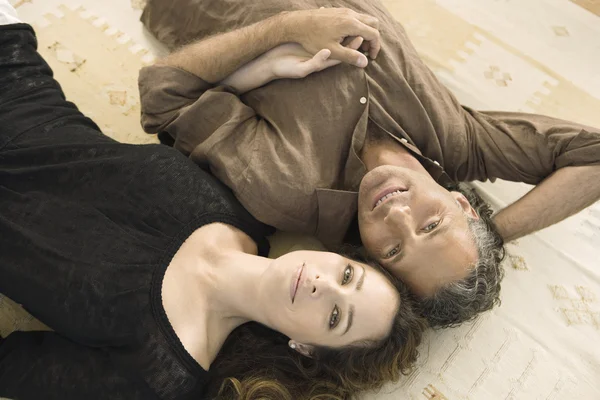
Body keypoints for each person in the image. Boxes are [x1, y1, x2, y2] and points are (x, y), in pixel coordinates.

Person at [0, 5, 427, 400]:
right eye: (348, 274)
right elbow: (172, 102)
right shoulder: (254, 208)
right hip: (15, 85)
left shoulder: (161, 374)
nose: (325, 285)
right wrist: (266, 65)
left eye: (335, 316)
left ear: (307, 349)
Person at [138, 0, 600, 327]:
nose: (397, 216)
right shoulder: (459, 142)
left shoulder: (289, 188)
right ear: (464, 204)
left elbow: (163, 94)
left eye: (394, 250)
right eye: (433, 225)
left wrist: (287, 29)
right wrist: (496, 236)